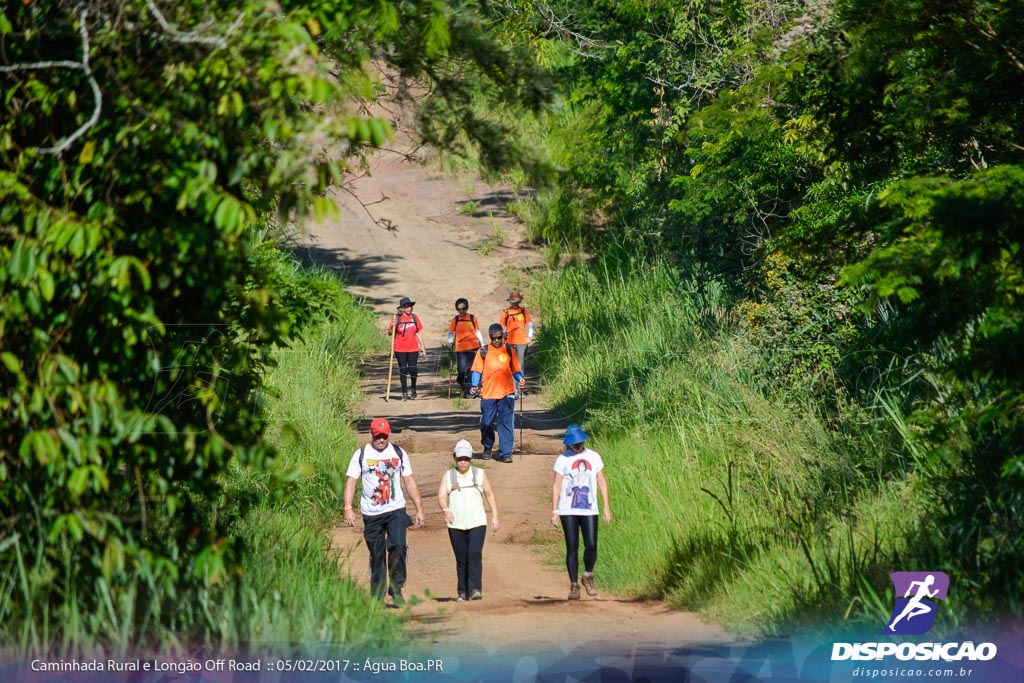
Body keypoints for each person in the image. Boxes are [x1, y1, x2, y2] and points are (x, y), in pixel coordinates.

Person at [343, 418, 425, 605]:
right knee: (377, 553)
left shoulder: (398, 453)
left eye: (384, 436)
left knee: (398, 546)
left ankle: (396, 589)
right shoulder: (361, 454)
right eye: (378, 436)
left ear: (389, 434)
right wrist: (348, 507)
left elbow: (409, 481)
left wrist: (419, 508)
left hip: (395, 508)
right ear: (371, 434)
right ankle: (378, 596)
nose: (381, 440)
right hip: (371, 513)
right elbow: (351, 481)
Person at [550, 425, 611, 600]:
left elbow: (602, 482)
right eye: (572, 444)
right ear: (568, 444)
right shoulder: (562, 460)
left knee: (591, 544)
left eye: (578, 443)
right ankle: (574, 585)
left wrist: (606, 507)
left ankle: (588, 575)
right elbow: (557, 486)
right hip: (568, 509)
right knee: (572, 546)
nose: (576, 446)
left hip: (589, 508)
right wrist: (555, 510)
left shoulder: (594, 457)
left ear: (583, 440)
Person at [437, 439, 500, 602]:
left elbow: (490, 494)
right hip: (455, 524)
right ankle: (462, 592)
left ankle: (475, 589)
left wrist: (495, 515)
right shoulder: (449, 475)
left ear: (471, 458)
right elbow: (442, 496)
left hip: (477, 522)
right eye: (460, 458)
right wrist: (446, 509)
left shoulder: (479, 474)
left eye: (466, 458)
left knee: (474, 554)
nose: (463, 462)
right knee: (461, 558)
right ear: (455, 458)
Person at [469, 323, 525, 463]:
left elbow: (516, 370)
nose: (497, 341)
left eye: (499, 338)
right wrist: (474, 385)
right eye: (494, 338)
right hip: (488, 393)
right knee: (486, 423)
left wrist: (520, 378)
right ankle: (487, 447)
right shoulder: (483, 351)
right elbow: (476, 370)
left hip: (507, 393)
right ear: (490, 337)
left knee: (506, 423)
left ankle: (506, 452)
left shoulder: (510, 350)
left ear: (503, 336)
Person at [387, 297, 426, 400]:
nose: (409, 308)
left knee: (413, 369)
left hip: (413, 348)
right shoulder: (396, 318)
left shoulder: (414, 317)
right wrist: (393, 326)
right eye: (406, 306)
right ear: (402, 308)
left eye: (410, 306)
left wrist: (422, 346)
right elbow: (390, 332)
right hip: (400, 348)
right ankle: (404, 392)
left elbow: (418, 332)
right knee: (403, 370)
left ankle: (413, 388)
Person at [447, 298, 484, 398]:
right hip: (460, 349)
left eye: (463, 308)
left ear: (466, 308)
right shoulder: (456, 319)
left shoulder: (472, 318)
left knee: (471, 370)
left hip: (473, 347)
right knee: (462, 370)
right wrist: (450, 342)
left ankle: (468, 391)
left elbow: (477, 331)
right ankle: (461, 383)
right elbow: (451, 332)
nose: (461, 311)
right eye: (459, 309)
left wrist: (482, 344)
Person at [500, 292, 534, 380]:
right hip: (509, 342)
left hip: (522, 342)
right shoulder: (505, 312)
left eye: (517, 302)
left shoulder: (523, 311)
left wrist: (529, 337)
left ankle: (519, 388)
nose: (515, 304)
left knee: (520, 364)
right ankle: (513, 388)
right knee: (510, 364)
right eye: (513, 302)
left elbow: (530, 325)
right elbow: (502, 327)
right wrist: (502, 336)